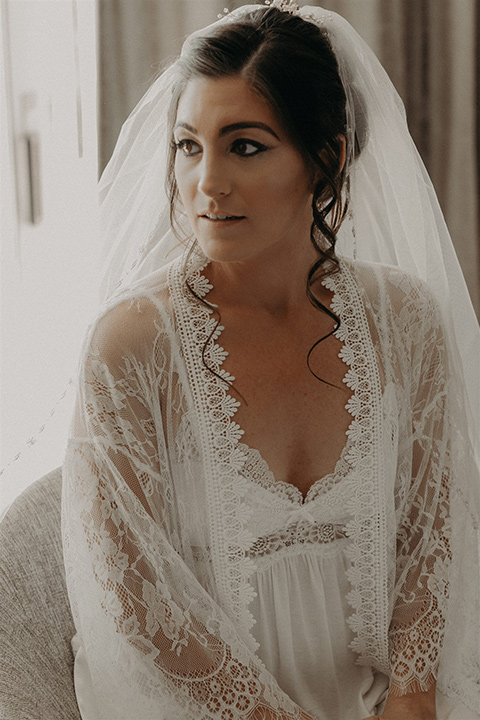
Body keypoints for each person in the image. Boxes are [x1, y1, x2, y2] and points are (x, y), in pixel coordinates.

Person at [62, 2, 480, 719]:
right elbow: (132, 589)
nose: (206, 183)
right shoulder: (129, 346)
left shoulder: (407, 323)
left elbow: (429, 529)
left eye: (245, 146)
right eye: (189, 146)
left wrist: (412, 696)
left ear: (329, 158)